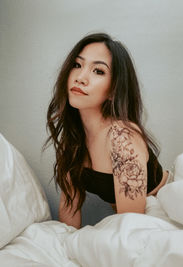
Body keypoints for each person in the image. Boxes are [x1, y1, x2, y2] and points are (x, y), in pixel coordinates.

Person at [44, 32, 169, 229]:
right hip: (130, 224)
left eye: (98, 71)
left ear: (113, 90)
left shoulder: (122, 136)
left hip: (162, 214)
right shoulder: (74, 140)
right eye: (77, 65)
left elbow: (131, 224)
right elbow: (69, 214)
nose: (81, 78)